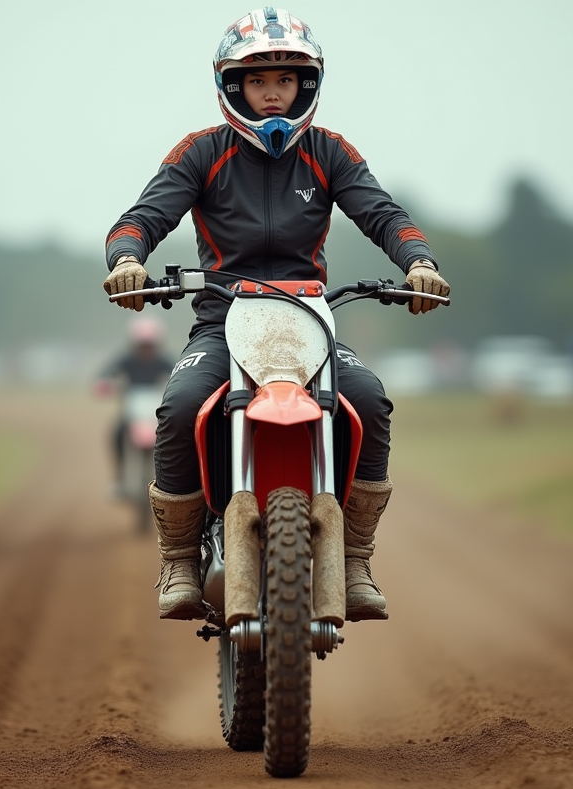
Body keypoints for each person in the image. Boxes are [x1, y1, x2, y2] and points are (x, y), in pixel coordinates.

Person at [103, 7, 450, 622]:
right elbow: (140, 219)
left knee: (370, 401)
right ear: (232, 86)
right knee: (179, 407)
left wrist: (419, 262)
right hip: (222, 320)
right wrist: (128, 259)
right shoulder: (201, 152)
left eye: (285, 80)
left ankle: (355, 559)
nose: (272, 93)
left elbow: (384, 215)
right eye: (258, 80)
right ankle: (179, 558)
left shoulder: (329, 152)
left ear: (305, 85)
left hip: (310, 319)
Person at [94, 317, 175, 495]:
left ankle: (175, 482)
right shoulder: (126, 360)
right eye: (142, 345)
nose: (146, 349)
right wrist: (105, 384)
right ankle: (120, 478)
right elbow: (104, 374)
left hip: (154, 411)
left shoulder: (163, 361)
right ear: (134, 344)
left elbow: (180, 373)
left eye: (149, 345)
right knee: (117, 434)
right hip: (132, 411)